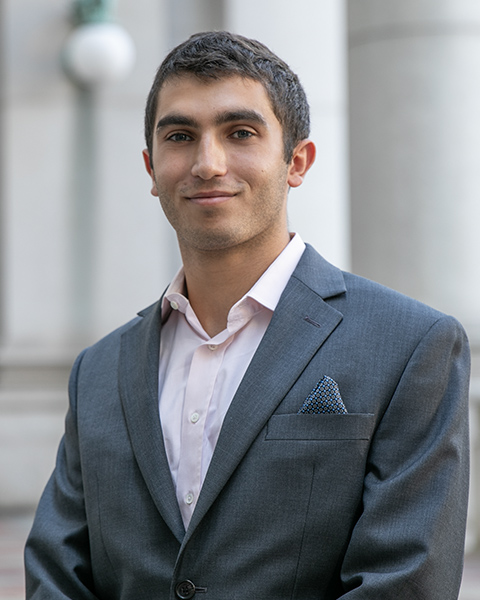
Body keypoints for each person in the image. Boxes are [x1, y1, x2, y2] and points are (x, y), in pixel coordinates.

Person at [25, 31, 470, 599]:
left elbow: (405, 584)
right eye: (180, 136)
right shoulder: (98, 371)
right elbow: (57, 577)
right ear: (150, 167)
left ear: (297, 161)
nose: (208, 164)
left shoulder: (411, 346)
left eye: (240, 133)